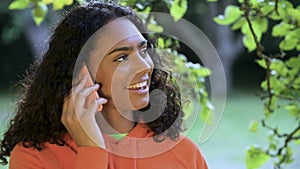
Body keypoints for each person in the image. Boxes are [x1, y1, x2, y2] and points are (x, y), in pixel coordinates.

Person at [0, 1, 208, 169]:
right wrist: (92, 151)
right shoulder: (34, 158)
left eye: (143, 51)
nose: (145, 66)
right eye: (122, 57)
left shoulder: (184, 154)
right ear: (79, 70)